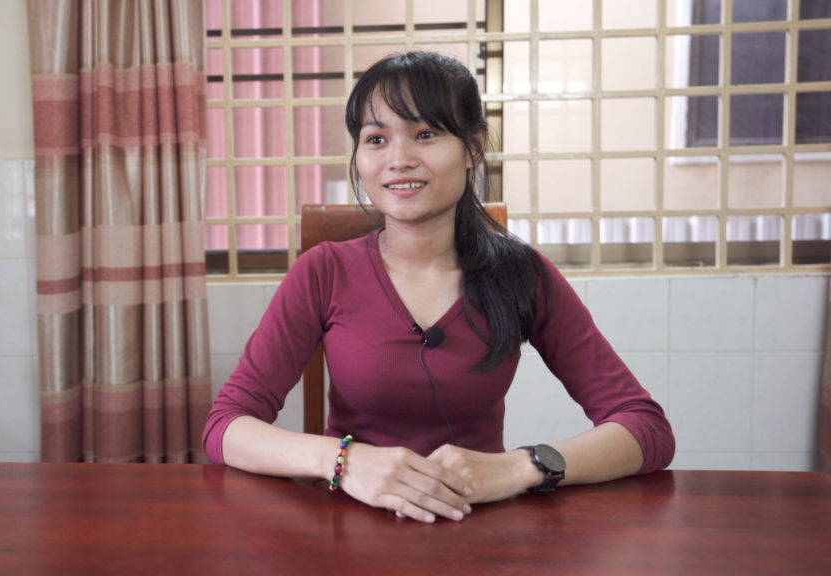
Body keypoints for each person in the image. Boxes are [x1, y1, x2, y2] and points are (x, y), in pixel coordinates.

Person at [202, 51, 675, 523]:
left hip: (478, 526)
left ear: (473, 148)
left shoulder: (522, 274)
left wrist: (522, 466)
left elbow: (645, 427)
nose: (399, 160)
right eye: (376, 138)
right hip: (348, 527)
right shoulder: (322, 271)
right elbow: (225, 427)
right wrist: (343, 461)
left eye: (426, 134)